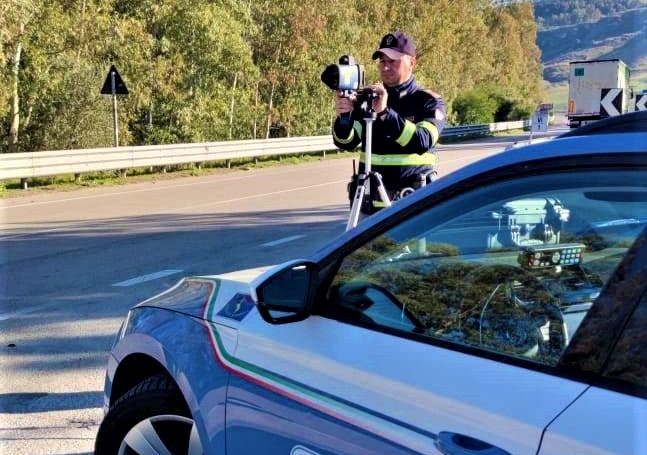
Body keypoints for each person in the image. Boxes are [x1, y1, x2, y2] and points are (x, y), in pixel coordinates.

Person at [332, 31, 446, 214]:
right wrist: (344, 117)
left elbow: (422, 140)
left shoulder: (427, 101)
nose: (386, 68)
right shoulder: (367, 99)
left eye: (393, 61)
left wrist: (385, 113)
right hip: (368, 209)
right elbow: (346, 142)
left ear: (412, 63)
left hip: (412, 208)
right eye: (382, 62)